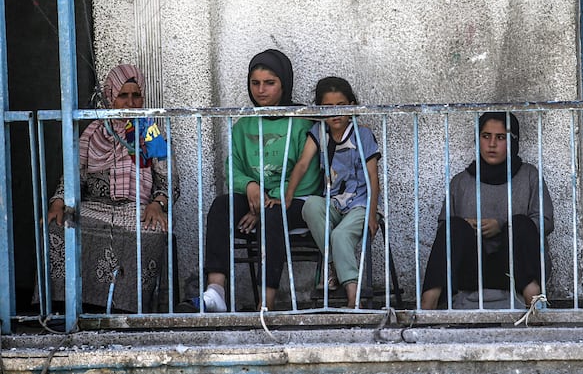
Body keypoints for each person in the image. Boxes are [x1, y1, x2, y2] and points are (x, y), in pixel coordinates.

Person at [193, 49, 322, 312]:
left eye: (269, 83)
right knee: (221, 207)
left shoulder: (301, 124)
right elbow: (233, 168)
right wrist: (251, 187)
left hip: (295, 200)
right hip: (258, 198)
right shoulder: (244, 125)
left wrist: (265, 202)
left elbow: (307, 176)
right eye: (255, 83)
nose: (261, 90)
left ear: (284, 84)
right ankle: (215, 291)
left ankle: (266, 302)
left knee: (273, 215)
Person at [45, 64, 177, 313]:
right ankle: (66, 309)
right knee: (58, 227)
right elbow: (73, 176)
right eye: (122, 95)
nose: (130, 102)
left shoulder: (151, 132)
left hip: (136, 209)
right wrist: (58, 201)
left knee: (151, 233)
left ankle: (128, 311)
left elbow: (169, 180)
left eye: (136, 95)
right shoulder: (94, 131)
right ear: (110, 97)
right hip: (94, 206)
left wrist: (157, 203)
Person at [420, 112, 554, 309]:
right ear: (478, 139)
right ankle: (428, 303)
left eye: (500, 137)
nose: (492, 144)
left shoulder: (529, 175)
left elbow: (545, 220)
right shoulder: (461, 182)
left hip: (515, 270)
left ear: (513, 141)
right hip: (473, 270)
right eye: (486, 136)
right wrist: (465, 226)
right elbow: (443, 228)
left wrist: (501, 225)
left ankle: (533, 299)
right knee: (453, 227)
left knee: (521, 224)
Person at [285, 77, 380, 308]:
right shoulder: (319, 132)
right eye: (328, 108)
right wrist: (286, 196)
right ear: (319, 110)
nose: (335, 113)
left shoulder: (362, 135)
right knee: (311, 205)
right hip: (334, 204)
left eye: (342, 106)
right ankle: (335, 264)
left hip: (360, 205)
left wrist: (372, 213)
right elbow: (302, 164)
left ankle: (352, 296)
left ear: (352, 106)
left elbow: (373, 178)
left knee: (339, 236)